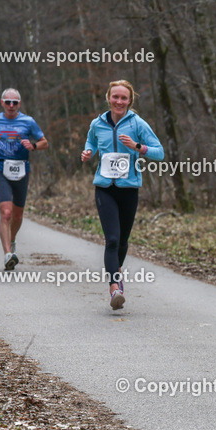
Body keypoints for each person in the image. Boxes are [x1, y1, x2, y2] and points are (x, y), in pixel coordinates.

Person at [81, 80, 164, 310]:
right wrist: (88, 152)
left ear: (130, 101)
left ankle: (116, 277)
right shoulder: (97, 124)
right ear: (108, 97)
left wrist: (138, 147)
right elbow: (91, 141)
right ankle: (115, 288)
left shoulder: (138, 124)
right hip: (105, 188)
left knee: (123, 242)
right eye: (115, 97)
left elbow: (160, 153)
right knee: (113, 240)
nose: (119, 101)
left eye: (123, 98)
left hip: (128, 189)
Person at [0, 88, 48, 270]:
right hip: (0, 168)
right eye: (8, 102)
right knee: (6, 213)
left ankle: (12, 240)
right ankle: (7, 254)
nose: (11, 106)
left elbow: (44, 142)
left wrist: (33, 146)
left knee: (18, 215)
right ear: (2, 102)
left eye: (15, 102)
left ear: (19, 104)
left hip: (21, 170)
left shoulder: (28, 121)